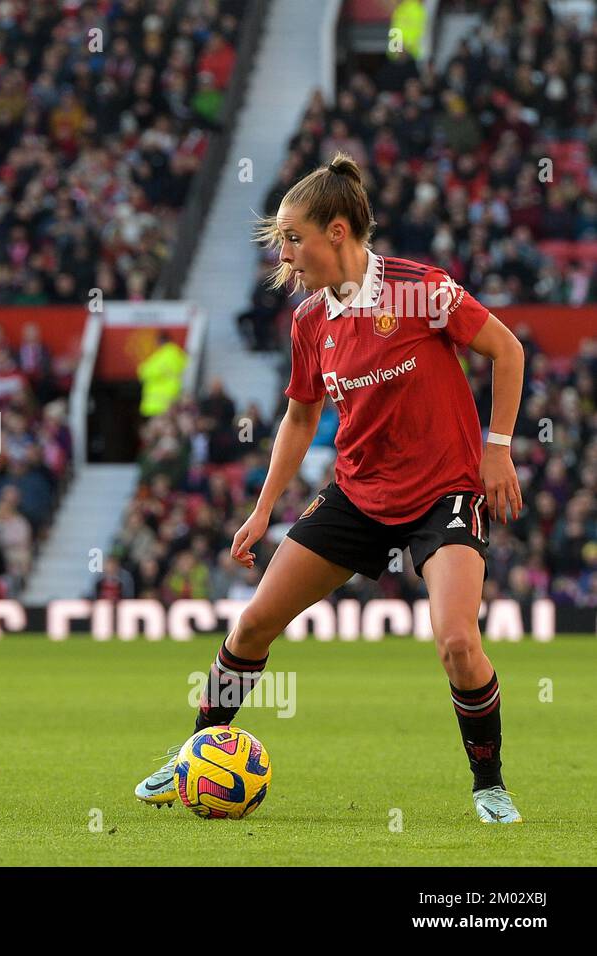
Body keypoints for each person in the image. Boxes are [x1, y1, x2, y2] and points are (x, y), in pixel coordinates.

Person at [134, 154, 527, 824]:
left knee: (458, 643)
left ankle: (488, 783)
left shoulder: (420, 290)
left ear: (338, 232)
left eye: (294, 237)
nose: (285, 254)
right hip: (357, 494)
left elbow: (508, 350)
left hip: (444, 493)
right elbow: (300, 416)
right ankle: (195, 752)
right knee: (253, 623)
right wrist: (262, 511)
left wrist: (498, 450)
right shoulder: (310, 321)